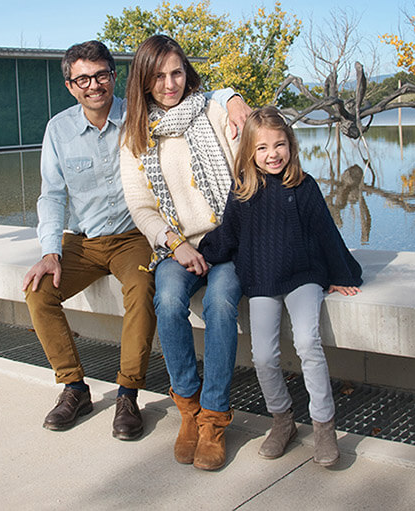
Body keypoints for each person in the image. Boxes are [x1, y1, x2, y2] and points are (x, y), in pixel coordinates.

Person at [22, 40, 249, 441]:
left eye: (102, 75)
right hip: (85, 238)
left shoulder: (139, 116)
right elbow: (52, 195)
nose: (94, 85)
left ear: (115, 76)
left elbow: (197, 97)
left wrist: (232, 97)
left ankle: (129, 393)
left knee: (147, 288)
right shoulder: (59, 130)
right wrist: (49, 251)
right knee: (39, 291)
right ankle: (74, 387)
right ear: (70, 85)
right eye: (83, 79)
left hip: (134, 238)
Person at [198, 105, 363, 467]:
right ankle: (283, 420)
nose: (272, 154)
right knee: (264, 356)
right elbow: (228, 235)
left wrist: (343, 275)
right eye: (262, 148)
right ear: (249, 153)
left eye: (279, 145)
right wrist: (199, 254)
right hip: (261, 280)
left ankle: (323, 426)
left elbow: (326, 233)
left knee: (307, 343)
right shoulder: (243, 190)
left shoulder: (304, 187)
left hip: (303, 277)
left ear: (291, 145)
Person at [119, 35, 242, 471]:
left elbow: (250, 168)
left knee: (222, 304)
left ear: (186, 73)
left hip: (227, 241)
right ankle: (187, 410)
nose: (169, 84)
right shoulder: (136, 134)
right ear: (144, 81)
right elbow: (141, 206)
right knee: (168, 300)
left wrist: (233, 97)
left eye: (176, 72)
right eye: (159, 76)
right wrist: (177, 245)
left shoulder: (212, 110)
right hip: (177, 245)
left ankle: (213, 417)